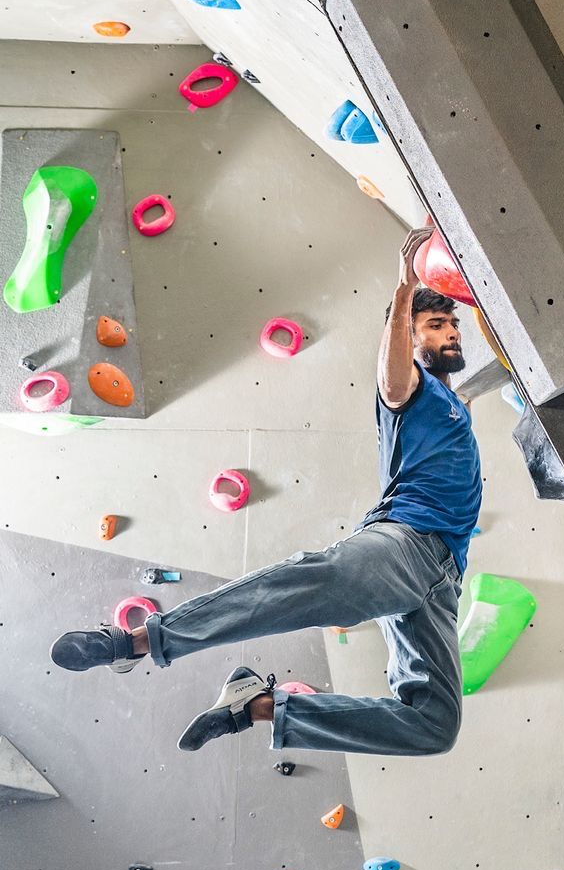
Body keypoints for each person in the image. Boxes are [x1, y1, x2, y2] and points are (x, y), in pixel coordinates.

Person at [51, 224, 483, 758]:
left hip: (444, 579)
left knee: (435, 727)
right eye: (435, 325)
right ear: (408, 335)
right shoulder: (410, 389)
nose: (451, 333)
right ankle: (138, 640)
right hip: (407, 542)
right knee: (320, 583)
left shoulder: (453, 400)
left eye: (452, 324)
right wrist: (402, 289)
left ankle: (256, 705)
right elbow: (393, 378)